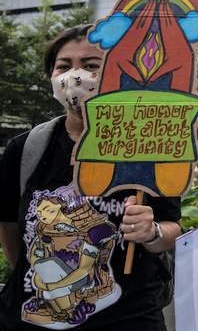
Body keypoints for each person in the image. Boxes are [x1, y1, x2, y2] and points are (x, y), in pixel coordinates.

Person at [0, 25, 181, 331]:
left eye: (91, 65)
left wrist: (151, 233)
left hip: (128, 318)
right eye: (64, 66)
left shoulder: (148, 146)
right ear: (51, 77)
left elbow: (173, 228)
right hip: (29, 318)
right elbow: (9, 227)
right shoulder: (26, 148)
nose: (75, 76)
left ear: (116, 75)